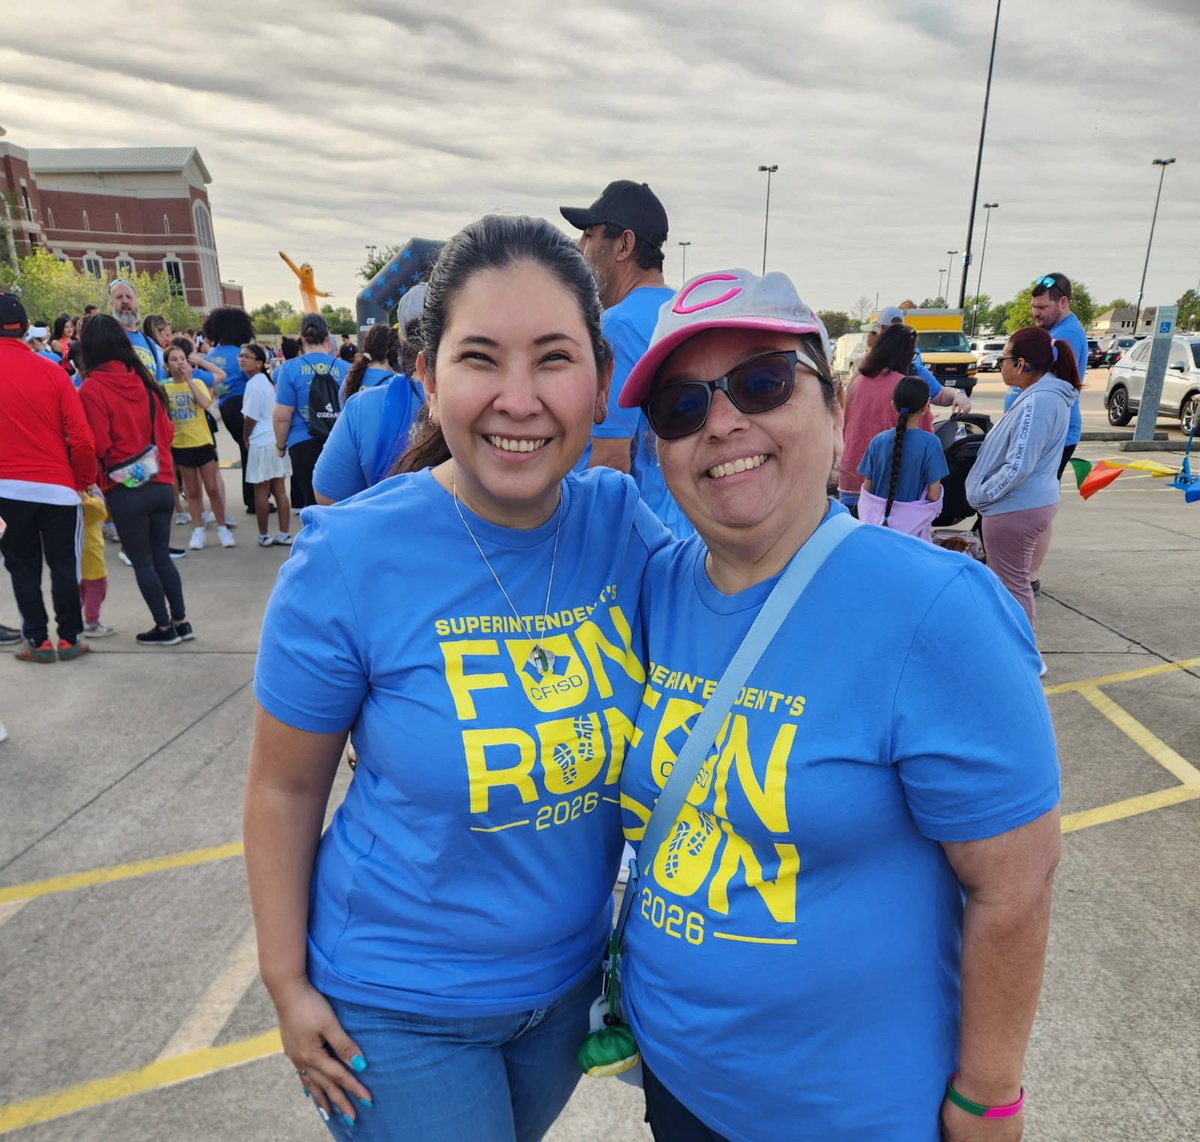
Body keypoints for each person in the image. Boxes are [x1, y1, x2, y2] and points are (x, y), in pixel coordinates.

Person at [244, 214, 671, 1140]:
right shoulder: (350, 559)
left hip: (563, 999)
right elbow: (282, 789)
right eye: (481, 358)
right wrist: (284, 983)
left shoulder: (622, 528)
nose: (519, 398)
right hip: (397, 1006)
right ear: (428, 380)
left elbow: (747, 609)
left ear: (599, 382)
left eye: (553, 358)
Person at [614, 268, 1061, 1141]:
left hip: (845, 1111)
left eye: (761, 382)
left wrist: (989, 1093)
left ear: (831, 407)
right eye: (680, 405)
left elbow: (1015, 887)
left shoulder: (938, 612)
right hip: (676, 1079)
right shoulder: (651, 591)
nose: (722, 422)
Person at [560, 179, 692, 537]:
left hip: (635, 537)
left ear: (624, 245)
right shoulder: (683, 312)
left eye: (589, 235)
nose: (580, 246)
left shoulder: (617, 326)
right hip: (683, 527)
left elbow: (611, 460)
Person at [78, 315, 192, 646]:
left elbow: (96, 444)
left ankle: (162, 626)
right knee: (161, 558)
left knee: (141, 560)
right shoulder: (146, 382)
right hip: (161, 482)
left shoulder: (92, 388)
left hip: (124, 488)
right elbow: (167, 433)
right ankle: (181, 621)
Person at [967, 326, 1080, 649]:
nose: (999, 364)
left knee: (1012, 585)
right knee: (1013, 582)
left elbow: (1019, 464)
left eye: (1003, 358)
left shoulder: (1039, 401)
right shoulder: (1043, 396)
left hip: (1015, 507)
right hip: (1024, 504)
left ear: (1020, 364)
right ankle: (1015, 650)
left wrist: (983, 496)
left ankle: (1021, 654)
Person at [0, 290, 97, 662]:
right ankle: (70, 639)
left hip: (7, 491)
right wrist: (83, 479)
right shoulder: (53, 372)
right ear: (26, 328)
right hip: (58, 489)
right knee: (63, 566)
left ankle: (37, 641)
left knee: (22, 566)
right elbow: (82, 438)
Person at [313, 288, 426, 506]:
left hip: (386, 534)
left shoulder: (363, 406)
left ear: (402, 341)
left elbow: (329, 498)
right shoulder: (481, 402)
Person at [1023, 272, 1087, 595]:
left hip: (1056, 435)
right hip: (1054, 433)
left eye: (1042, 307)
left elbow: (1056, 387)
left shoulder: (1067, 337)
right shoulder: (1058, 331)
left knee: (1039, 502)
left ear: (1063, 302)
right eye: (1034, 307)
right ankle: (1028, 572)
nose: (1036, 313)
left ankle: (1030, 575)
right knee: (1038, 500)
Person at [837, 322, 932, 512]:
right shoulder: (905, 386)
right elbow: (925, 436)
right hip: (886, 484)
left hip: (849, 475)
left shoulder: (858, 381)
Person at [271, 312, 349, 510]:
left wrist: (280, 447)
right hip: (338, 441)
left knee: (311, 505)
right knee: (340, 505)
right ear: (327, 338)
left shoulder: (289, 369)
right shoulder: (346, 369)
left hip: (302, 442)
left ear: (302, 338)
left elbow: (282, 415)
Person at [162, 344, 236, 550]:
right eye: (174, 359)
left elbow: (205, 403)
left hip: (202, 441)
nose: (180, 363)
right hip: (180, 443)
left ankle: (222, 527)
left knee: (212, 488)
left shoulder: (198, 383)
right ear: (167, 365)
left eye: (182, 359)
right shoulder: (164, 387)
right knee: (192, 491)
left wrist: (189, 380)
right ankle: (198, 529)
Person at [857, 374, 948, 540]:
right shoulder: (931, 444)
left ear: (893, 405)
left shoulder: (878, 441)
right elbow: (933, 495)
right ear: (925, 407)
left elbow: (867, 488)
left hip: (877, 529)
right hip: (913, 535)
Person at [202, 307, 257, 515]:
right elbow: (251, 379)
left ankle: (250, 498)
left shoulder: (212, 354)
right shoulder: (240, 354)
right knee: (251, 452)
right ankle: (254, 499)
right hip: (242, 403)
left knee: (244, 451)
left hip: (225, 405)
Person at [870, 305, 971, 415]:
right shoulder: (913, 371)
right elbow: (940, 395)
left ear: (881, 330)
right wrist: (958, 393)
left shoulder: (863, 373)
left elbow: (939, 394)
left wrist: (958, 393)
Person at [239, 342, 293, 546]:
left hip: (261, 442)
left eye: (247, 356)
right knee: (279, 490)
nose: (242, 359)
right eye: (241, 356)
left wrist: (245, 437)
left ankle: (263, 534)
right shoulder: (266, 382)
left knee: (261, 492)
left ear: (260, 362)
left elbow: (250, 417)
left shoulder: (254, 384)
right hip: (276, 440)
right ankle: (284, 533)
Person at [109, 280, 163, 379]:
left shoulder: (149, 343)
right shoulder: (105, 339)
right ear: (111, 303)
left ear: (137, 302)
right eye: (119, 297)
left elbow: (158, 382)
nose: (125, 301)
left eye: (129, 297)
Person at [79, 488, 115, 637]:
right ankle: (91, 622)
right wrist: (96, 493)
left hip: (79, 545)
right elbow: (98, 511)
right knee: (97, 584)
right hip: (89, 546)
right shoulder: (82, 494)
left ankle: (74, 619)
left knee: (82, 586)